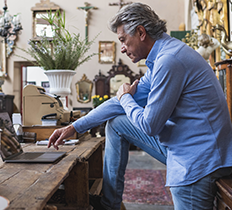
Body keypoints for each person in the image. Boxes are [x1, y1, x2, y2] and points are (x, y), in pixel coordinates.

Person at [47, 2, 232, 210]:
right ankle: (111, 206)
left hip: (200, 157)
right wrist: (73, 127)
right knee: (117, 124)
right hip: (191, 144)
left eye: (123, 40)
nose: (123, 48)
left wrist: (126, 98)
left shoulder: (169, 60)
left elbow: (149, 125)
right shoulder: (162, 57)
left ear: (141, 32)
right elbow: (118, 104)